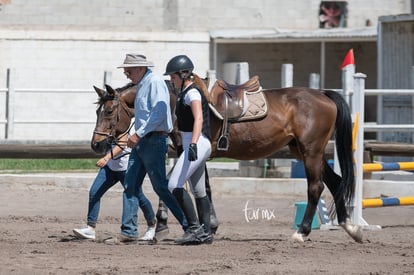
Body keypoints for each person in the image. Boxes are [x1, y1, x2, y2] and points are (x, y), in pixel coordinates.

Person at [106, 53, 188, 244]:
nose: (126, 73)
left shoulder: (154, 82)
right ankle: (129, 231)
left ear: (141, 69)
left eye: (129, 70)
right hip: (143, 141)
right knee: (131, 184)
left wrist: (138, 133)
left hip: (152, 141)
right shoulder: (143, 84)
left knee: (160, 186)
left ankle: (189, 225)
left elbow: (159, 112)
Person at [164, 55, 213, 245]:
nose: (171, 80)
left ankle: (194, 229)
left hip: (198, 142)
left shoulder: (192, 93)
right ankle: (206, 232)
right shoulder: (183, 92)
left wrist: (192, 144)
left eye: (173, 76)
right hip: (192, 142)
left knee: (173, 184)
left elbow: (199, 118)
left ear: (184, 74)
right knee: (198, 190)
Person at [73, 133, 157, 241]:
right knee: (94, 192)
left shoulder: (126, 123)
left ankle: (152, 225)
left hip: (126, 167)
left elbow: (122, 143)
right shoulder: (110, 123)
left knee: (138, 196)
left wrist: (106, 158)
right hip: (110, 167)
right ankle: (90, 228)